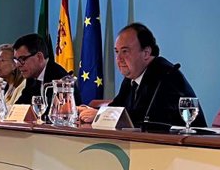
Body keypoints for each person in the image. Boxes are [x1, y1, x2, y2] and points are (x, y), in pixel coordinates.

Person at [77, 23, 206, 128]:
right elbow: (117, 108)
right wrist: (86, 110)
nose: (118, 58)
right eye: (117, 52)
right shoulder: (131, 79)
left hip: (187, 148)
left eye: (125, 51)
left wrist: (99, 115)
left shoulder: (164, 75)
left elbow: (149, 120)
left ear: (146, 53)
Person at [12, 32, 73, 105]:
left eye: (22, 59)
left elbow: (52, 109)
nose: (17, 65)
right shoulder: (32, 76)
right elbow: (21, 104)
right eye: (16, 60)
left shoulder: (58, 77)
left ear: (39, 57)